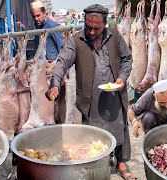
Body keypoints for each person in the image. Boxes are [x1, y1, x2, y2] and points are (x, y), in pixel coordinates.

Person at [46, 4, 135, 179]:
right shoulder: (76, 40)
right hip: (90, 96)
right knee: (93, 132)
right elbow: (62, 61)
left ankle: (121, 161)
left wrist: (122, 77)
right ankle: (95, 164)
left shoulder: (115, 36)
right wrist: (55, 83)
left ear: (105, 24)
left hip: (114, 93)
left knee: (119, 126)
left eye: (97, 28)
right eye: (88, 27)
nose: (92, 31)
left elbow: (127, 59)